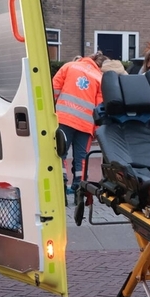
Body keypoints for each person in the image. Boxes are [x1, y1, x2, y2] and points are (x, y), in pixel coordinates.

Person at [51, 52, 104, 196]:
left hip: (64, 118)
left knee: (59, 153)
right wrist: (97, 130)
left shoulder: (69, 66)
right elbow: (100, 109)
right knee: (81, 158)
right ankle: (79, 188)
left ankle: (61, 183)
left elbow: (53, 90)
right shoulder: (99, 77)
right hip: (86, 124)